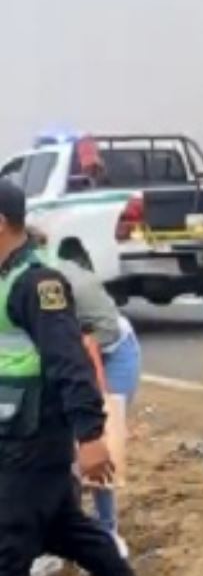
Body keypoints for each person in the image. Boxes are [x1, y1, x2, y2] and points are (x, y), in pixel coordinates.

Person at [0, 182, 175, 576]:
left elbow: (70, 361)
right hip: (18, 432)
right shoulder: (9, 280)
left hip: (37, 438)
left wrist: (90, 436)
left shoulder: (38, 284)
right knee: (67, 531)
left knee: (6, 547)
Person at [28, 232, 139, 542]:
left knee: (99, 440)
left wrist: (94, 405)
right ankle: (65, 529)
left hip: (111, 352)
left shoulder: (50, 283)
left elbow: (87, 346)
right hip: (74, 351)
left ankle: (106, 531)